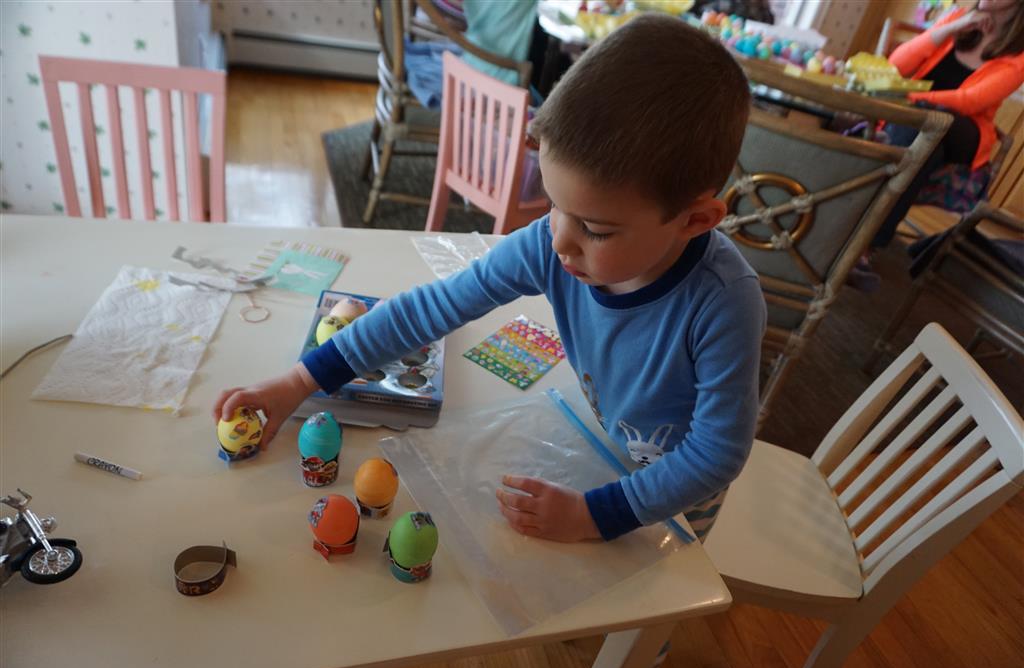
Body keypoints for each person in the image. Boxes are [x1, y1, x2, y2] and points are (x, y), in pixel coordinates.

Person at [215, 16, 763, 548]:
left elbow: (714, 454)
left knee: (654, 597)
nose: (559, 241)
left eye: (595, 229)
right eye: (553, 204)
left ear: (695, 220)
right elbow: (429, 309)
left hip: (673, 501)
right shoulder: (552, 243)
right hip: (605, 446)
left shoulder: (724, 302)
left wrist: (594, 517)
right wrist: (299, 381)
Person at [871, 0, 1024, 251]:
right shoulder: (958, 18)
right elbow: (897, 66)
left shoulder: (1019, 58)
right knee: (926, 145)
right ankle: (868, 243)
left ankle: (862, 236)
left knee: (932, 119)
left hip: (962, 132)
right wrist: (950, 28)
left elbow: (969, 102)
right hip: (917, 128)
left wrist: (909, 98)